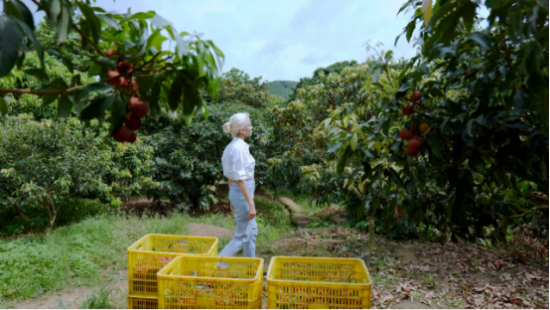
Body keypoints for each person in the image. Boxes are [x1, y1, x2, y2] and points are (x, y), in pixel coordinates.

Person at [218, 112, 257, 258]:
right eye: (249, 125)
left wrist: (232, 196)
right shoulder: (239, 148)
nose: (251, 128)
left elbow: (231, 176)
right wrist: (251, 204)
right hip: (242, 191)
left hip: (238, 192)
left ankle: (251, 268)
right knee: (242, 236)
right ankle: (217, 265)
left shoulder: (232, 146)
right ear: (242, 130)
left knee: (251, 233)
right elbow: (240, 179)